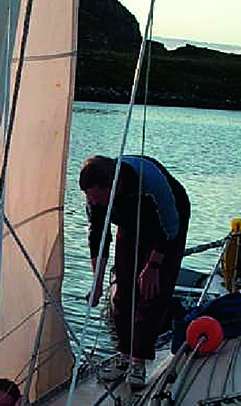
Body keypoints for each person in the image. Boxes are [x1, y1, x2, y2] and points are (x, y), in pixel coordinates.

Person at [79, 154, 190, 388]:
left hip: (167, 223)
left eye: (98, 197)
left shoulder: (151, 183)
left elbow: (170, 227)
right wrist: (97, 283)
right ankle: (125, 356)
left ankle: (139, 362)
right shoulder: (95, 197)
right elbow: (98, 236)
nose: (94, 202)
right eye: (90, 197)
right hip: (128, 221)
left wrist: (154, 265)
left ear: (115, 185)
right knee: (122, 288)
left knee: (151, 290)